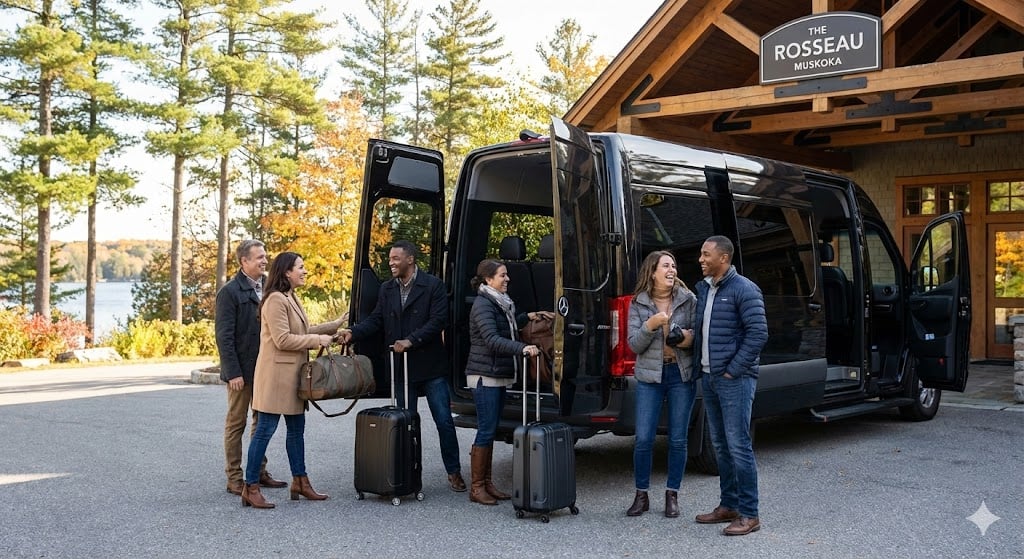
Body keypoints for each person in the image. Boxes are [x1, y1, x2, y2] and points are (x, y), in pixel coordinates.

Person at [336, 240, 466, 493]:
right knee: (405, 424)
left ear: (410, 259)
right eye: (390, 258)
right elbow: (376, 320)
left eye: (395, 258)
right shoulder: (387, 289)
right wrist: (353, 332)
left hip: (430, 366)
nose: (391, 262)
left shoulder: (433, 286)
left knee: (444, 422)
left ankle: (454, 471)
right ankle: (406, 473)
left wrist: (411, 340)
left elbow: (439, 320)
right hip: (401, 369)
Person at [241, 252, 343, 509]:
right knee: (264, 431)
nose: (305, 271)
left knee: (297, 431)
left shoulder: (290, 296)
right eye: (301, 267)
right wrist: (317, 341)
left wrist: (333, 327)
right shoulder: (275, 299)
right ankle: (250, 487)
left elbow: (302, 331)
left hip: (292, 378)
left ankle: (300, 481)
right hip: (276, 378)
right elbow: (283, 339)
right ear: (287, 272)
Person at [691, 236, 768, 536]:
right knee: (721, 445)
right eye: (701, 253)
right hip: (709, 377)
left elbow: (758, 334)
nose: (700, 258)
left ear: (723, 258)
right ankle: (729, 505)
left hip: (733, 379)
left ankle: (750, 514)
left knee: (738, 446)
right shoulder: (704, 289)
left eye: (706, 254)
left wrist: (732, 371)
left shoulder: (744, 289)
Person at [464, 259, 552, 505]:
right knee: (486, 430)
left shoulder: (499, 302)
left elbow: (507, 328)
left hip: (498, 374)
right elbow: (492, 339)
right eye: (502, 275)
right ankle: (477, 487)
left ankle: (487, 484)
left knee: (490, 429)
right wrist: (523, 348)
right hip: (485, 376)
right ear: (488, 280)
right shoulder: (483, 305)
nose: (507, 279)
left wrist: (527, 317)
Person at [624, 250, 697, 518]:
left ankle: (672, 495)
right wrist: (651, 325)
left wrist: (686, 338)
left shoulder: (689, 300)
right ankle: (641, 495)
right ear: (652, 271)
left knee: (678, 439)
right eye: (666, 265)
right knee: (643, 439)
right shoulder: (639, 304)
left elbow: (697, 337)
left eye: (674, 265)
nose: (672, 270)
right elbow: (634, 345)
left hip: (680, 376)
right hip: (650, 378)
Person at [214, 239, 287, 496]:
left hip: (264, 368)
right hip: (241, 372)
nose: (265, 261)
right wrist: (233, 372)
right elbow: (224, 336)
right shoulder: (230, 292)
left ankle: (257, 472)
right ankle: (234, 478)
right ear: (244, 262)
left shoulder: (269, 287)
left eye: (265, 256)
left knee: (262, 421)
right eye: (259, 257)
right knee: (237, 423)